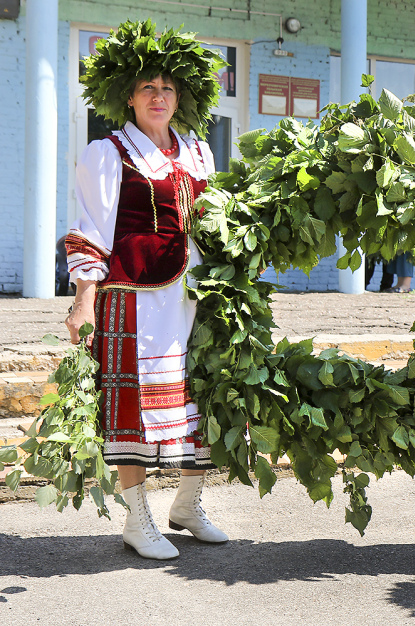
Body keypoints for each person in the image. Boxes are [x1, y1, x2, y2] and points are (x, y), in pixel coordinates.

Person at [64, 19, 228, 560]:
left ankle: (187, 504)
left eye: (168, 88)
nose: (159, 97)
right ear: (127, 97)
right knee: (133, 407)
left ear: (182, 97)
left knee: (200, 395)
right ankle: (137, 519)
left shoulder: (198, 151)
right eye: (147, 88)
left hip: (193, 295)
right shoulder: (109, 153)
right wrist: (84, 302)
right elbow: (92, 228)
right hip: (134, 297)